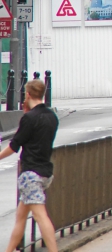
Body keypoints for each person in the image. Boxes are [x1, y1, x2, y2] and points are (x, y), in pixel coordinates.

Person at [0, 80, 60, 252]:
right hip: (45, 171)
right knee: (20, 217)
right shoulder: (52, 117)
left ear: (27, 95)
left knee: (41, 217)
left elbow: (14, 145)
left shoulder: (29, 118)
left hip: (30, 174)